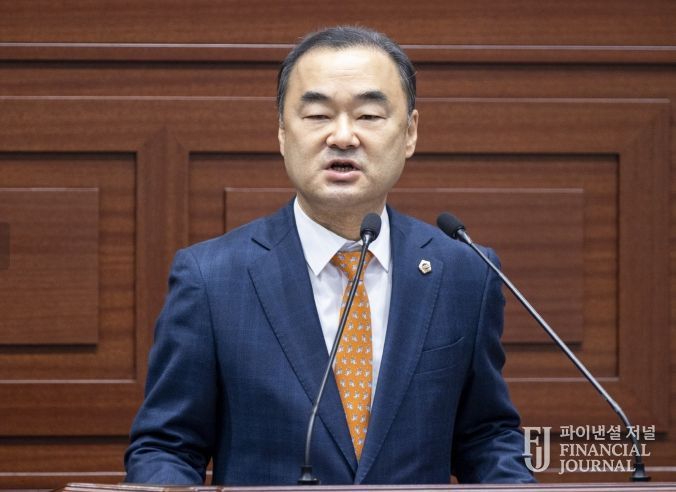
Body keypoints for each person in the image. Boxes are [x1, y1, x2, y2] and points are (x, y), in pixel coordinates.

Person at [124, 25, 535, 485]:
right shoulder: (211, 279)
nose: (342, 137)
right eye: (318, 115)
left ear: (410, 133)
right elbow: (167, 447)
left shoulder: (464, 272)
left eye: (369, 115)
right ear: (283, 132)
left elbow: (485, 437)